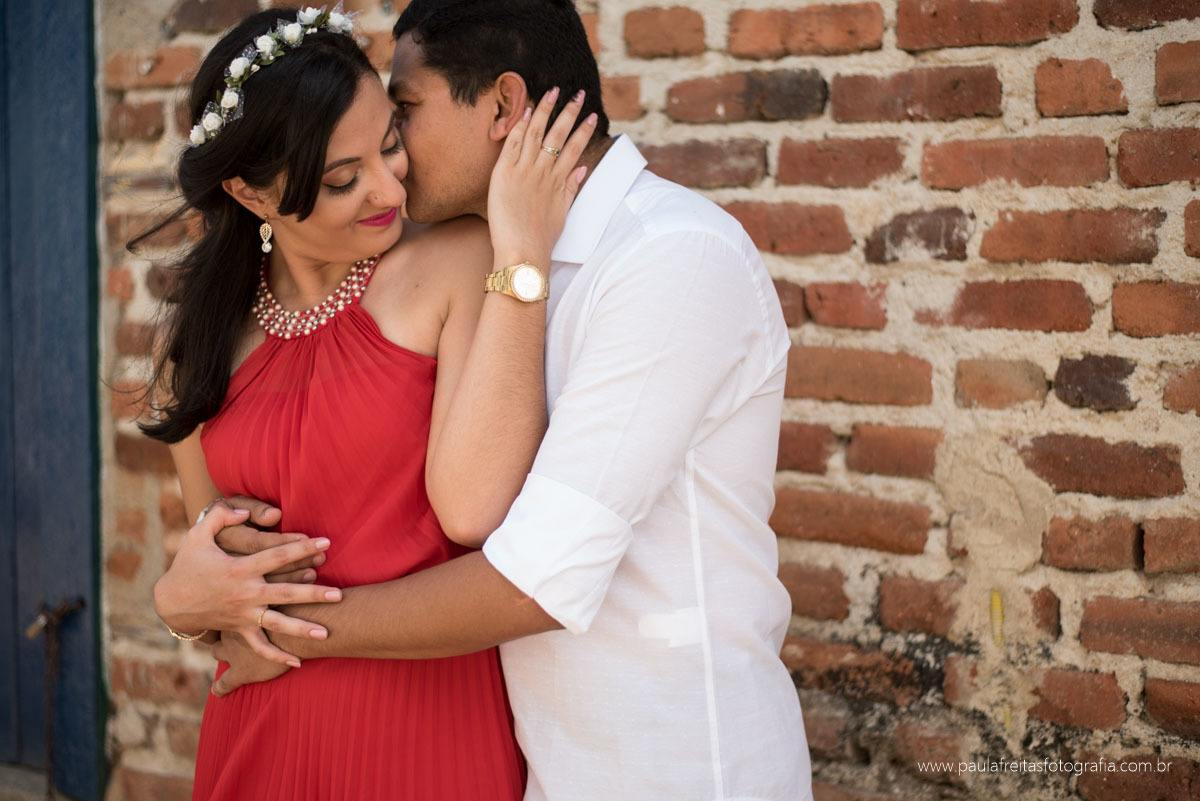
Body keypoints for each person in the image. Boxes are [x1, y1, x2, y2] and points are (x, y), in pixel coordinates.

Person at [208, 1, 814, 800]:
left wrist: (277, 628)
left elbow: (538, 579)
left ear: (502, 105)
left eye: (405, 111)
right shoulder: (499, 257)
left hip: (676, 765)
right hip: (542, 765)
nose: (395, 151)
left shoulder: (669, 256)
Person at [143, 5, 595, 799]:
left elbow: (477, 508)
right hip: (259, 730)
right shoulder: (200, 338)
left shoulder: (460, 262)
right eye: (342, 180)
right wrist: (178, 602)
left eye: (390, 142)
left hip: (427, 728)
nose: (391, 187)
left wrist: (522, 251)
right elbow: (219, 572)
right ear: (249, 193)